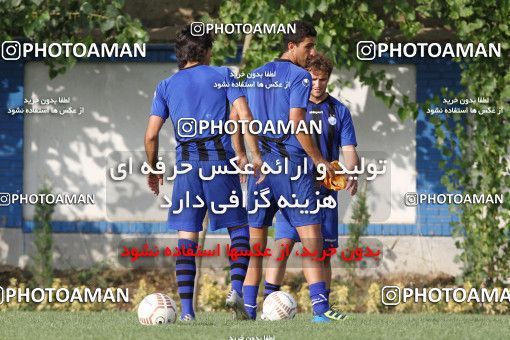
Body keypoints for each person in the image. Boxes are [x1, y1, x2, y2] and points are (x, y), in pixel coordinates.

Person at [144, 25, 262, 321]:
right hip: (220, 163)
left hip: (187, 167)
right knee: (239, 229)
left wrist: (153, 167)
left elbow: (150, 136)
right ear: (207, 51)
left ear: (180, 55)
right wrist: (251, 155)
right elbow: (244, 115)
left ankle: (186, 312)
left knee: (188, 235)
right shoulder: (223, 75)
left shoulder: (166, 86)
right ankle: (236, 289)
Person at [240, 20, 344, 323]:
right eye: (308, 46)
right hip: (292, 167)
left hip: (263, 168)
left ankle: (248, 311)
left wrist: (246, 155)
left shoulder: (255, 75)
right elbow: (297, 123)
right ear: (291, 47)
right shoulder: (298, 77)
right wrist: (319, 161)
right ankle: (322, 312)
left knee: (257, 247)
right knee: (313, 241)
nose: (312, 52)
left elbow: (239, 117)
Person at [262, 53, 359, 321]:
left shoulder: (339, 111)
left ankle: (321, 311)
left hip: (324, 194)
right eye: (313, 79)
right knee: (281, 246)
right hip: (292, 188)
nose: (317, 84)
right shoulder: (294, 106)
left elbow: (349, 149)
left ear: (328, 80)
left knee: (322, 252)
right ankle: (268, 305)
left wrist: (352, 171)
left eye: (322, 80)